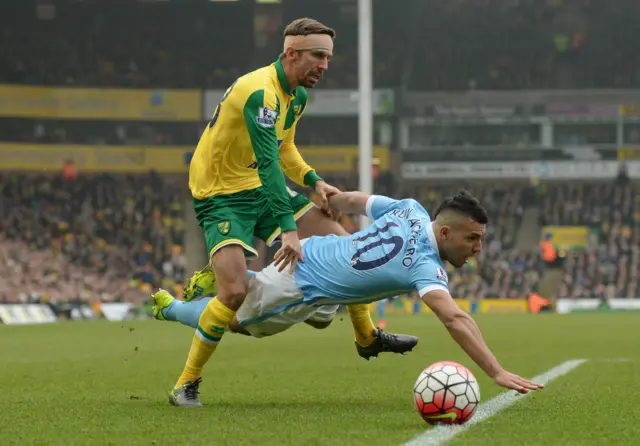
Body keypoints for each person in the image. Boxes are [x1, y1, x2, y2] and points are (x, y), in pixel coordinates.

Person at [173, 17, 410, 405]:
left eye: (328, 58)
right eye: (318, 56)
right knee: (232, 294)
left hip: (256, 185)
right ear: (290, 54)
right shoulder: (260, 93)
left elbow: (284, 150)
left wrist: (314, 181)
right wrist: (289, 229)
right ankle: (186, 382)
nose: (324, 65)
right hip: (220, 194)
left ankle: (366, 337)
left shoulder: (296, 95)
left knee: (351, 248)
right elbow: (268, 164)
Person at [155, 190, 544, 406]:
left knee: (324, 318)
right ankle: (172, 307)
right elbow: (456, 319)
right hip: (299, 282)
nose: (478, 248)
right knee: (238, 322)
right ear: (443, 234)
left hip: (319, 254)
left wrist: (332, 199)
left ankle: (248, 279)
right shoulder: (424, 267)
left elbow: (357, 203)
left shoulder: (411, 209)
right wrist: (495, 371)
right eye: (472, 239)